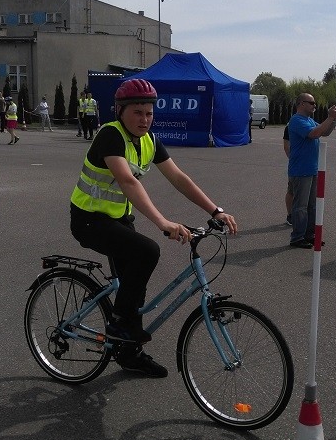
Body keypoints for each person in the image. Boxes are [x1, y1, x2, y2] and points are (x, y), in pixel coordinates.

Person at [69, 78, 237, 377]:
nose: (144, 119)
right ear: (120, 111)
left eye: (149, 113)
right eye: (137, 112)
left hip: (118, 219)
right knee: (147, 252)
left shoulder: (149, 141)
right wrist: (162, 222)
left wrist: (215, 210)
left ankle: (129, 353)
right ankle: (119, 325)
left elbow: (179, 178)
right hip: (89, 219)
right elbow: (127, 181)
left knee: (134, 285)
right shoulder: (110, 135)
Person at [287, 93, 336, 248]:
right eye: (312, 103)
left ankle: (309, 235)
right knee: (300, 207)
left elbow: (324, 132)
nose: (314, 105)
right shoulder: (297, 120)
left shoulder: (309, 120)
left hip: (311, 168)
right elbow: (314, 134)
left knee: (311, 206)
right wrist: (329, 117)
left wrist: (333, 120)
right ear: (301, 104)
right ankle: (297, 237)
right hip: (300, 169)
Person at [283, 125, 292, 225]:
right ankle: (290, 215)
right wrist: (293, 159)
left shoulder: (310, 122)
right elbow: (286, 147)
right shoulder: (290, 126)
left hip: (309, 165)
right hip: (296, 165)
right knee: (291, 191)